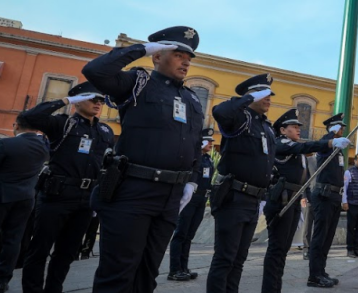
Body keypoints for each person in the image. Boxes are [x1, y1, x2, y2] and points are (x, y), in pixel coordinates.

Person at [82, 26, 204, 292]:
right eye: (178, 53)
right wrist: (141, 48)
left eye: (189, 57)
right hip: (133, 192)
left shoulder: (191, 98)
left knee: (147, 274)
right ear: (157, 56)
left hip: (170, 197)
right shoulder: (138, 83)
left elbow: (195, 145)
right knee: (118, 275)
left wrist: (191, 181)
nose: (186, 61)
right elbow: (95, 72)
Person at [20, 82, 115, 293]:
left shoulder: (105, 130)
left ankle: (54, 289)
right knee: (40, 249)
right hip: (57, 194)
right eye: (92, 99)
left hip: (86, 198)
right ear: (78, 101)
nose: (98, 103)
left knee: (67, 252)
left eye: (100, 100)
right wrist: (65, 100)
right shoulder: (63, 124)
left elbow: (106, 165)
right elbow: (29, 118)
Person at [208, 73, 277, 293]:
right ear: (252, 95)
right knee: (225, 258)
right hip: (234, 196)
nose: (268, 99)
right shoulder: (240, 117)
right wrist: (248, 98)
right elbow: (219, 111)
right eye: (263, 95)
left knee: (239, 259)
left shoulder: (265, 126)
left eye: (269, 95)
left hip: (253, 199)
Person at [263, 109, 342, 293]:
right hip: (281, 202)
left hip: (292, 200)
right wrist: (330, 141)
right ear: (283, 130)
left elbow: (304, 177)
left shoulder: (295, 148)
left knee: (282, 251)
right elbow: (303, 147)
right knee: (276, 250)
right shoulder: (282, 143)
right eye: (294, 126)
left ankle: (275, 288)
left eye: (299, 126)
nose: (298, 129)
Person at [0, 116, 49, 293]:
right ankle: (2, 281)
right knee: (13, 240)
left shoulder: (4, 144)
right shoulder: (44, 147)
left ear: (16, 125)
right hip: (25, 199)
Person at [307, 113, 353, 288]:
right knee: (320, 237)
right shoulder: (327, 143)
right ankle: (314, 275)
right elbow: (322, 145)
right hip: (324, 195)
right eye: (340, 127)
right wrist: (331, 139)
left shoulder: (338, 147)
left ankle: (321, 271)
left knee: (327, 237)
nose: (342, 130)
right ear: (333, 127)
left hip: (334, 196)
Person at [167, 128, 215, 281]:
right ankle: (174, 270)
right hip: (191, 198)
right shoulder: (194, 157)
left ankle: (184, 267)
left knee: (189, 236)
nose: (211, 144)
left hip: (201, 200)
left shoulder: (208, 159)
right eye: (209, 141)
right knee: (181, 234)